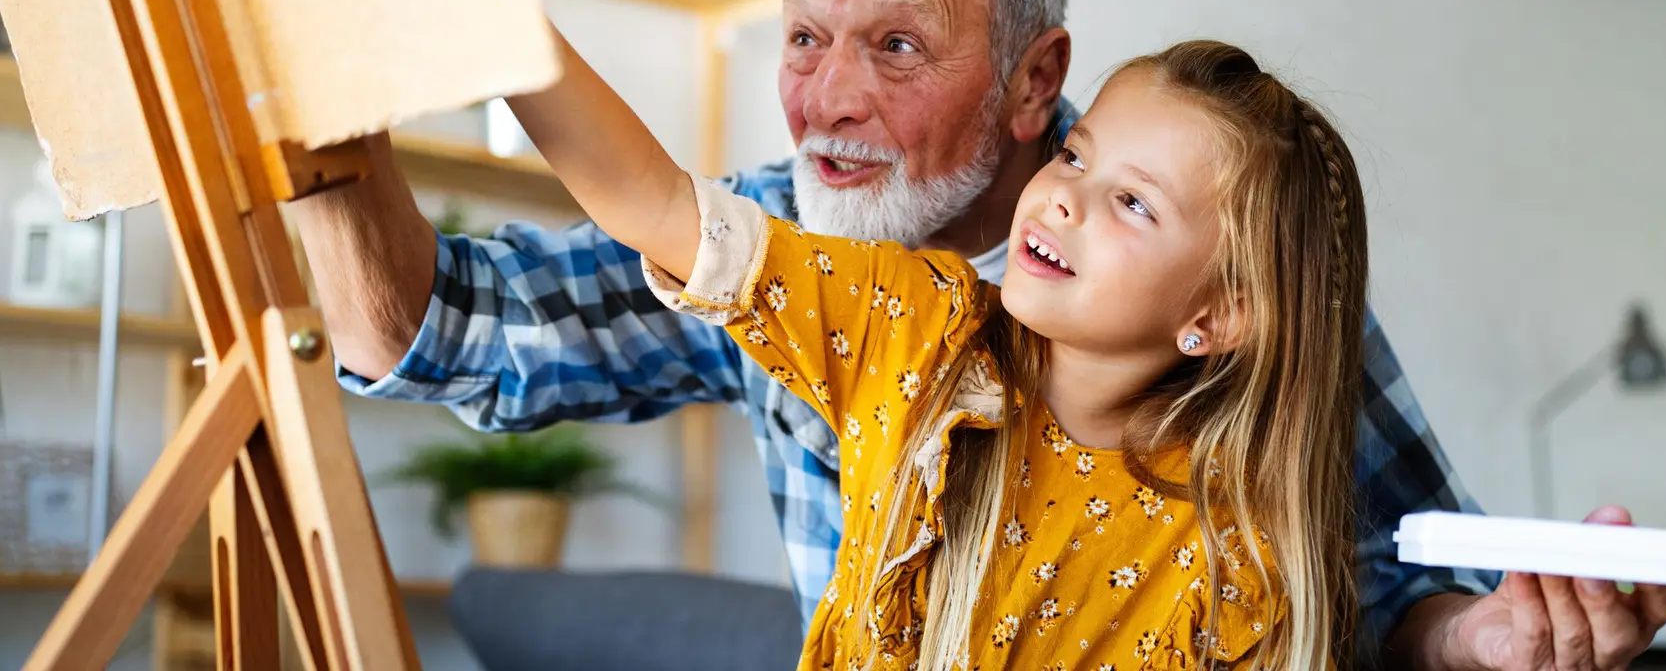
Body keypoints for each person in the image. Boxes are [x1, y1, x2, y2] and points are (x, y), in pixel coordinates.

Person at [295, 0, 1666, 668]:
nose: (825, 99)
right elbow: (463, 313)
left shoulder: (1254, 339)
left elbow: (1387, 597)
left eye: (896, 44)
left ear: (1033, 75)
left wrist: (1487, 638)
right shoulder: (876, 307)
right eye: (803, 38)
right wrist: (450, 26)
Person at [511, 33, 1367, 667]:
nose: (1065, 199)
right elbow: (658, 205)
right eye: (1074, 156)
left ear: (1219, 318)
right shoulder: (916, 326)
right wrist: (494, 13)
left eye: (1134, 204)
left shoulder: (1239, 555)